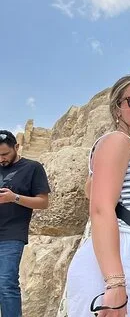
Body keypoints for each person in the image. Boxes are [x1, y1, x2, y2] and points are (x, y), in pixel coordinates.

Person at [67, 75, 130, 316]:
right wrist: (114, 282)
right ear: (117, 109)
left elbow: (92, 188)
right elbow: (101, 208)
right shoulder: (116, 141)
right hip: (120, 249)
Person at [0, 130, 50, 317]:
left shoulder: (32, 167)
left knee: (6, 284)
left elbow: (43, 202)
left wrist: (14, 197)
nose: (1, 159)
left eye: (5, 154)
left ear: (17, 147)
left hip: (11, 234)